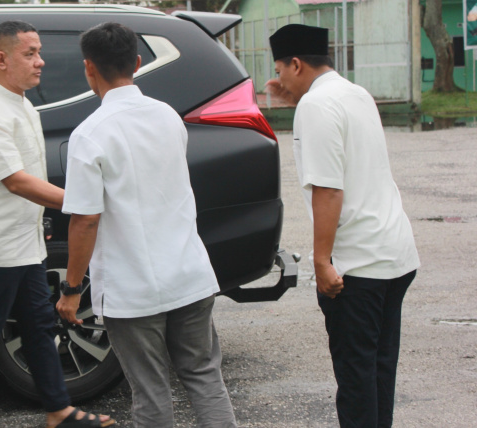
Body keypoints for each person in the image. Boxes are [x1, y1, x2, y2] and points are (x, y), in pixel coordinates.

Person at [56, 22, 238, 428]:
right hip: (188, 274)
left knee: (151, 390)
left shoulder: (90, 134)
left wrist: (71, 290)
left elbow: (85, 220)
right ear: (137, 63)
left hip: (132, 287)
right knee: (205, 378)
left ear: (89, 68)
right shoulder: (168, 116)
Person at [0, 20, 115, 428]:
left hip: (24, 240)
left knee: (39, 324)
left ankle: (58, 410)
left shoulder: (19, 101)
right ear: (1, 59)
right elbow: (16, 181)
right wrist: (84, 204)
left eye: (39, 52)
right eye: (30, 54)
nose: (41, 62)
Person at [265, 23, 420, 427]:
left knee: (355, 381)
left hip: (357, 266)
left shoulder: (316, 107)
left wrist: (321, 261)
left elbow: (328, 191)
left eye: (280, 70)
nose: (277, 79)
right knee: (378, 371)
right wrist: (294, 96)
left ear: (296, 64)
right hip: (395, 253)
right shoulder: (356, 93)